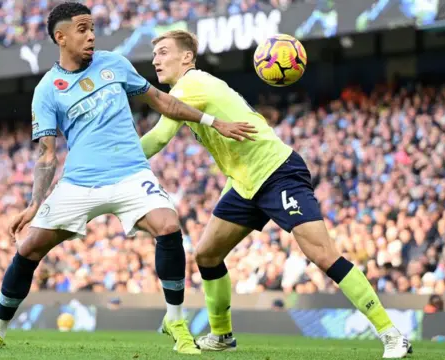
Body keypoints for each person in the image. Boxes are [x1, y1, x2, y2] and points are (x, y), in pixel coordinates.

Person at [0, 3, 256, 354]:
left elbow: (162, 101)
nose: (91, 36)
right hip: (79, 183)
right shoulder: (47, 90)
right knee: (28, 249)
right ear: (61, 37)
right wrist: (34, 203)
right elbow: (46, 154)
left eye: (92, 28)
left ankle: (176, 322)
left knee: (168, 225)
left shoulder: (113, 63)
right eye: (83, 29)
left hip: (130, 173)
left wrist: (213, 122)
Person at [141, 29, 413, 359]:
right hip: (244, 183)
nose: (156, 59)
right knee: (207, 254)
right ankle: (222, 335)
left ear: (186, 57)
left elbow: (157, 139)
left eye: (163, 52)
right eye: (154, 54)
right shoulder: (190, 88)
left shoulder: (191, 85)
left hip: (277, 172)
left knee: (323, 255)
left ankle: (391, 334)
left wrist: (111, 162)